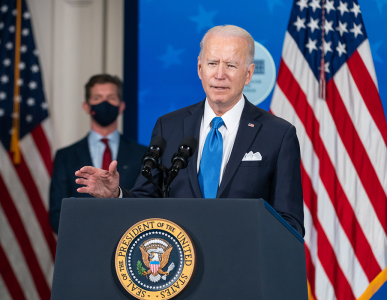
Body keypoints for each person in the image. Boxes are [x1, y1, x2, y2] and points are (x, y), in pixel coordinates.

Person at [75, 26, 304, 237]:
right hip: (179, 270)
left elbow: (289, 222)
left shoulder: (278, 134)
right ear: (199, 68)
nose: (220, 74)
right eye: (213, 63)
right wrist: (117, 194)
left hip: (244, 268)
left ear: (249, 74)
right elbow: (147, 199)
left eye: (231, 65)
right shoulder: (169, 125)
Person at [49, 74, 147, 233]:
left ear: (121, 106)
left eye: (111, 98)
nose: (105, 103)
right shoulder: (65, 156)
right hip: (81, 247)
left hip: (128, 244)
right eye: (97, 98)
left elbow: (147, 204)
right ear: (86, 106)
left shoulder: (142, 154)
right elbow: (56, 214)